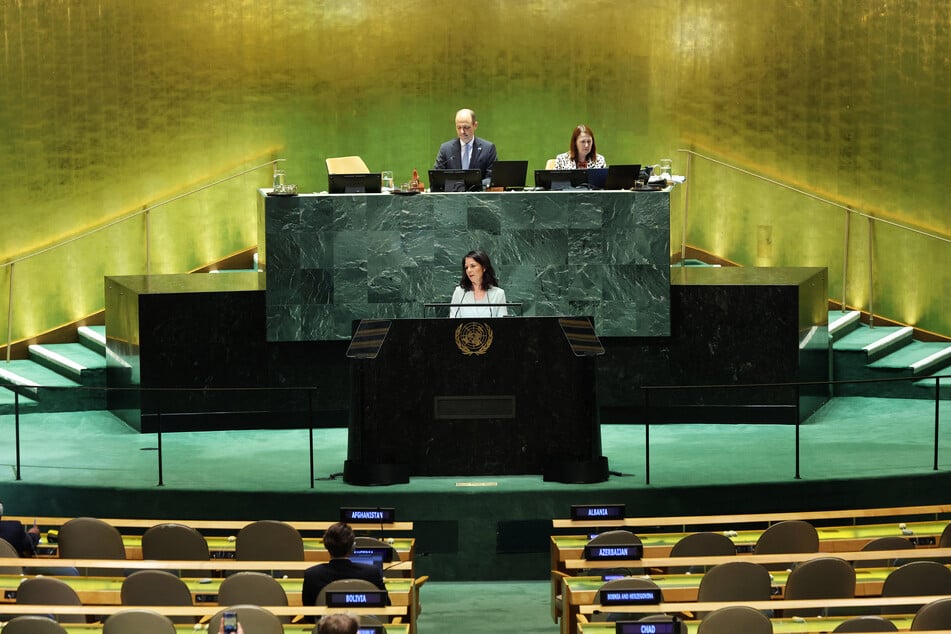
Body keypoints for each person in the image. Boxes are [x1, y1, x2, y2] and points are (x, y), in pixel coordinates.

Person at [301, 522, 387, 620]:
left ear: (326, 546)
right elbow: (386, 606)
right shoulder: (372, 572)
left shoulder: (312, 575)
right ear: (353, 547)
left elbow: (309, 615)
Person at [433, 108, 498, 184]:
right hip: (453, 194)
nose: (462, 131)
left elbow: (492, 177)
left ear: (475, 125)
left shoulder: (488, 149)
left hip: (478, 194)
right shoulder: (445, 149)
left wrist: (473, 187)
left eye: (466, 127)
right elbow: (436, 176)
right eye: (458, 127)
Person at [450, 250, 508, 318]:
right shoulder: (459, 292)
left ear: (484, 268)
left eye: (473, 266)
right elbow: (452, 320)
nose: (469, 270)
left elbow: (503, 324)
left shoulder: (498, 294)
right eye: (466, 267)